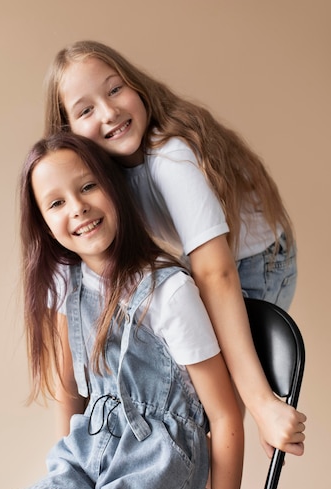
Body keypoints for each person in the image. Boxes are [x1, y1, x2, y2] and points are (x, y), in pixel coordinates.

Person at [0, 133, 247, 489]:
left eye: (88, 186)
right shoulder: (64, 285)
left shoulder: (169, 293)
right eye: (56, 202)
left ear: (115, 188)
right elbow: (69, 392)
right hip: (88, 455)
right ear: (44, 224)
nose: (78, 208)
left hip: (155, 472)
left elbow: (224, 417)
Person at [43, 39, 307, 462]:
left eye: (114, 90)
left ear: (137, 86)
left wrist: (260, 402)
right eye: (86, 109)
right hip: (201, 260)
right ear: (67, 131)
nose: (109, 113)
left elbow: (216, 275)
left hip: (254, 261)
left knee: (210, 395)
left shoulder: (171, 158)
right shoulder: (92, 180)